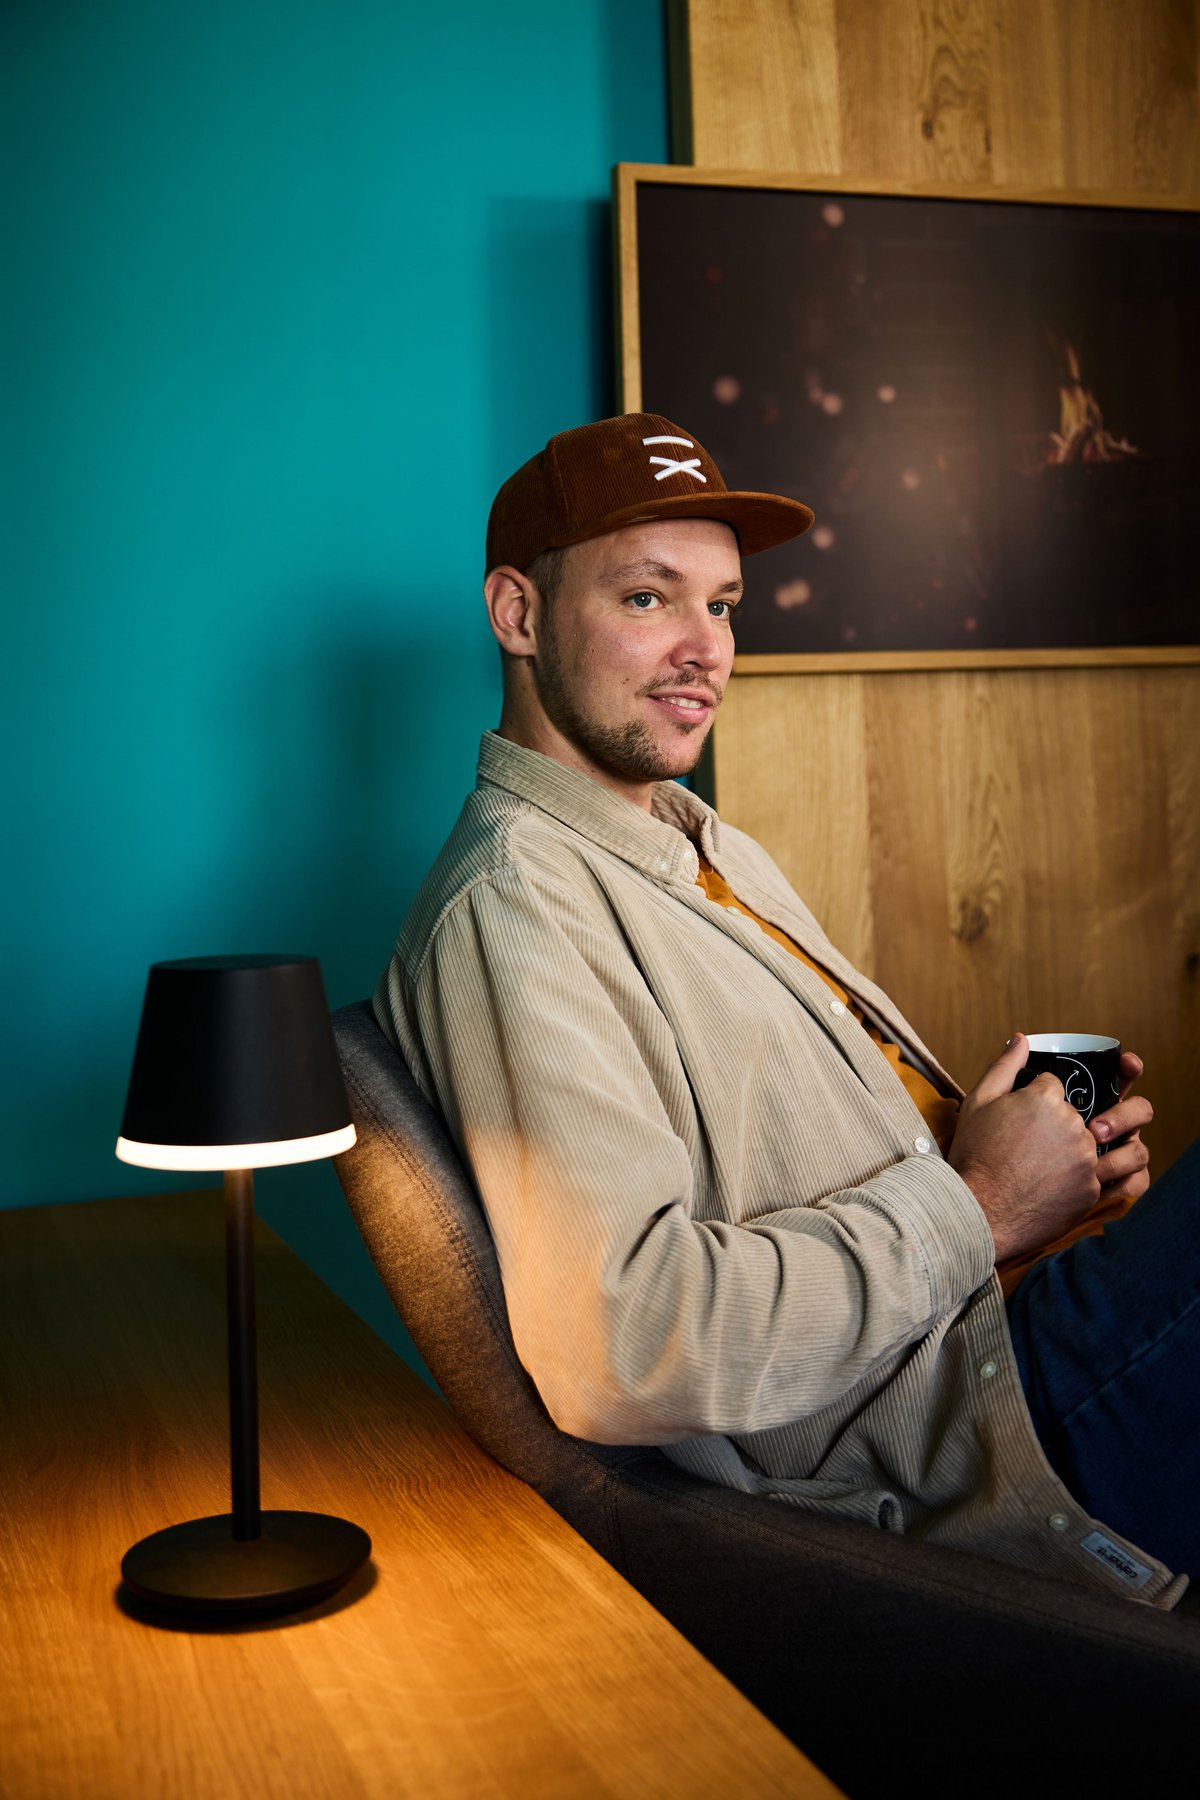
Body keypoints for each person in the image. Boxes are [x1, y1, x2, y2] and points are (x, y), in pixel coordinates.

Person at [376, 412, 1197, 1609]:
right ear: (519, 614)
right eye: (649, 598)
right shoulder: (518, 911)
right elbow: (631, 1343)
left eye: (722, 607)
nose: (704, 647)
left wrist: (1030, 1182)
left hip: (992, 1315)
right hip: (970, 1433)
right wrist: (976, 1205)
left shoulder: (693, 839)